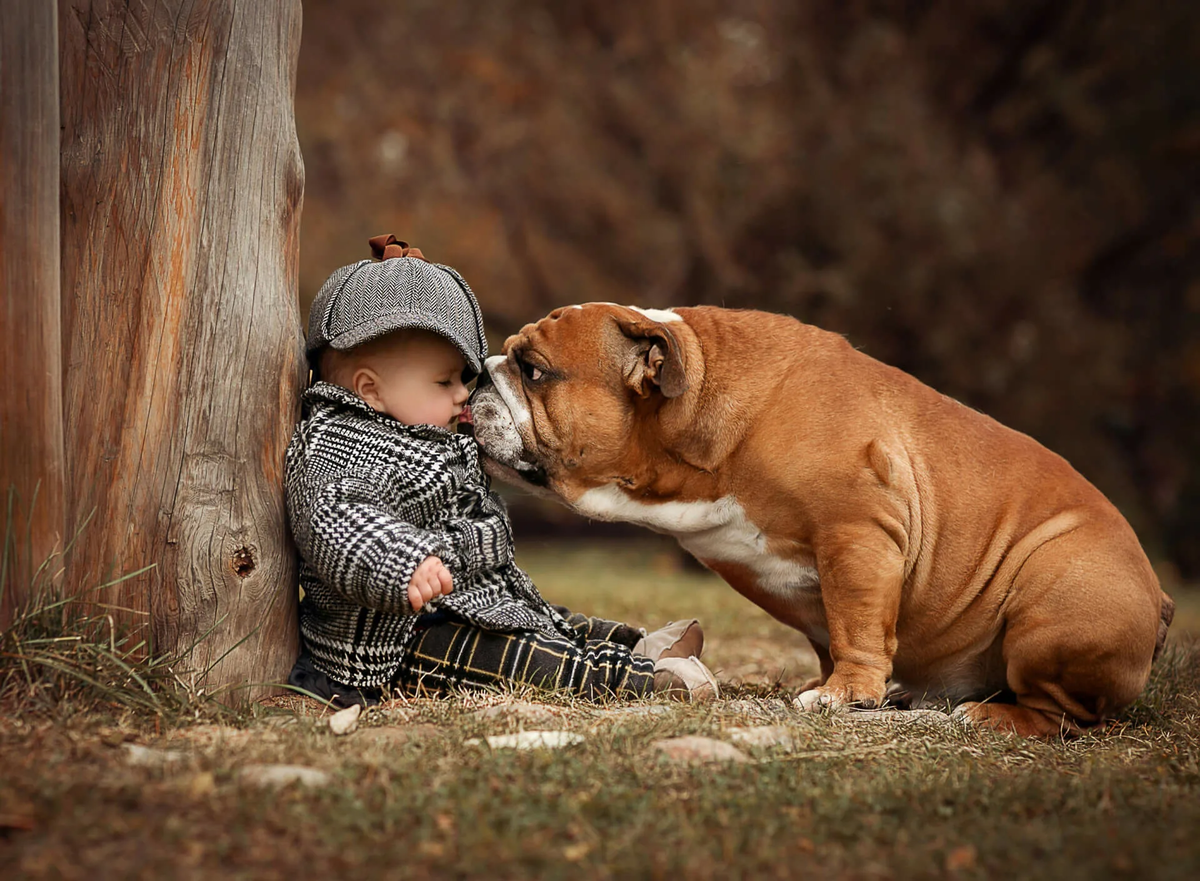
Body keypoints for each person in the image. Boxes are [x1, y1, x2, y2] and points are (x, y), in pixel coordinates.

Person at [285, 234, 719, 707]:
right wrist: (404, 563)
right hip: (400, 639)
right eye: (444, 381)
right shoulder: (336, 447)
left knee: (543, 617)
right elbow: (336, 519)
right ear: (370, 389)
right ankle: (635, 679)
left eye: (461, 379)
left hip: (459, 602)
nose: (460, 395)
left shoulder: (415, 433)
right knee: (520, 655)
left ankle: (633, 643)